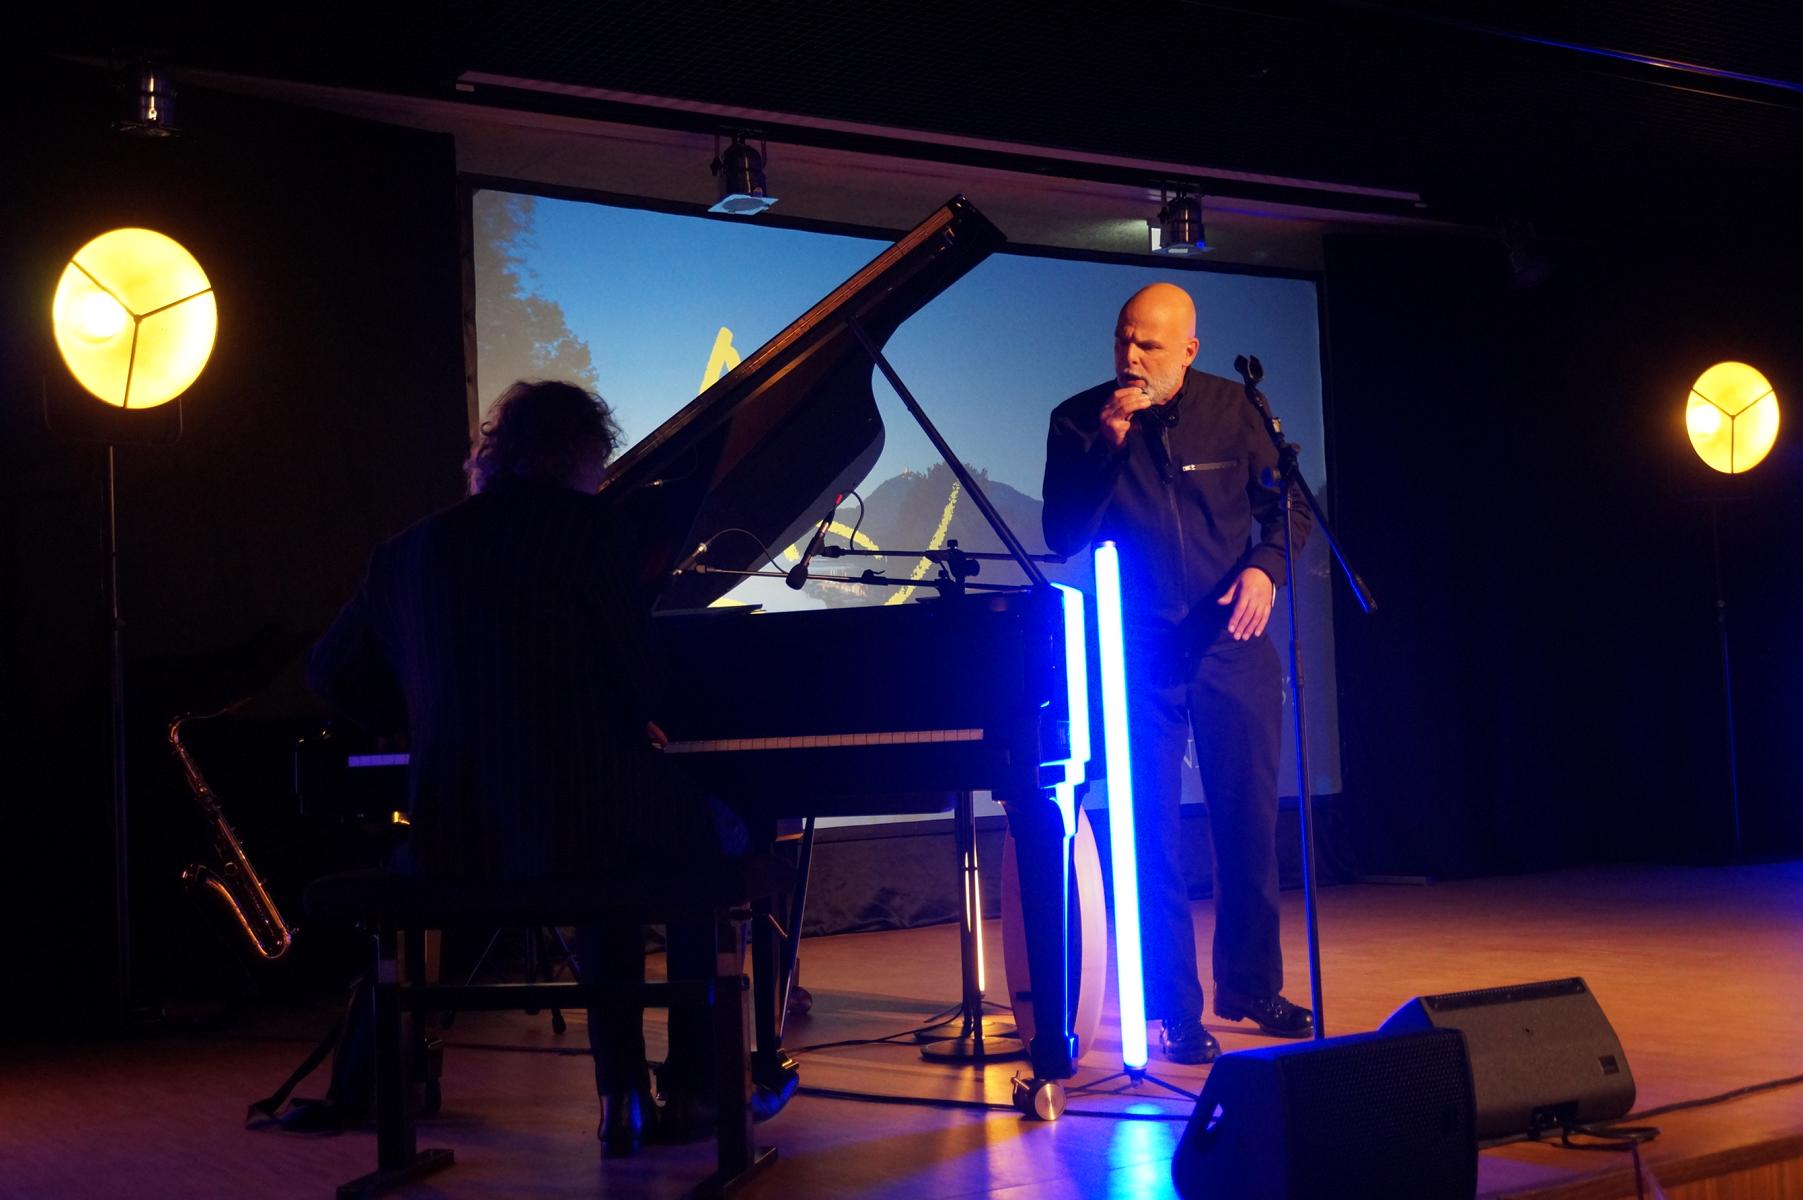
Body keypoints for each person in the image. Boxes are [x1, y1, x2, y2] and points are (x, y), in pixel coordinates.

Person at [308, 379, 746, 1155]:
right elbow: (638, 678)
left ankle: (630, 1097)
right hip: (592, 824)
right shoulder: (592, 528)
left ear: (495, 456)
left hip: (453, 840)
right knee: (714, 838)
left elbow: (331, 675)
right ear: (580, 455)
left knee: (611, 848)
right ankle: (696, 1086)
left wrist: (427, 713)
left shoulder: (404, 552)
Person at [1041, 283, 1312, 1064]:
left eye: (1149, 345)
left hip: (1232, 643)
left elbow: (1289, 509)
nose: (1130, 357)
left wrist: (1265, 568)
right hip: (1138, 652)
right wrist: (1106, 446)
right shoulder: (1078, 419)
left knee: (1248, 827)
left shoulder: (1237, 410)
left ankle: (1251, 987)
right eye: (1122, 339)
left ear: (1188, 350)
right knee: (1149, 837)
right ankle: (1172, 1010)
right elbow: (1061, 533)